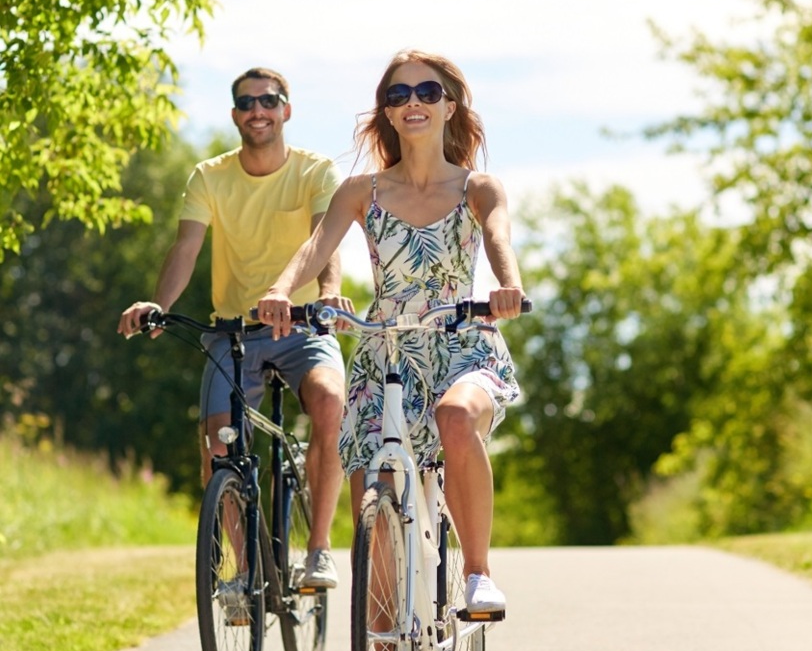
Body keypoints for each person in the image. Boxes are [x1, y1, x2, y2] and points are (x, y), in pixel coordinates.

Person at [255, 49, 525, 614]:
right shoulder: (362, 191)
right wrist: (280, 290)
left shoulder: (478, 187)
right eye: (398, 95)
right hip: (387, 352)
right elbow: (315, 247)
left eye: (428, 92)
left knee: (457, 417)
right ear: (388, 111)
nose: (413, 103)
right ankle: (379, 650)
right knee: (375, 494)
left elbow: (497, 237)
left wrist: (508, 285)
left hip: (461, 342)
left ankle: (478, 574)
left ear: (450, 106)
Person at [118, 67, 349, 588]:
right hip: (232, 332)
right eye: (246, 103)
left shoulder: (315, 171)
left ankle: (318, 550)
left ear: (286, 109)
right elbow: (186, 248)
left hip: (301, 326)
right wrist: (157, 304)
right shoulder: (210, 176)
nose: (257, 110)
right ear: (234, 115)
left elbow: (324, 242)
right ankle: (245, 575)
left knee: (331, 402)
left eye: (268, 100)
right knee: (217, 446)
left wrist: (328, 293)